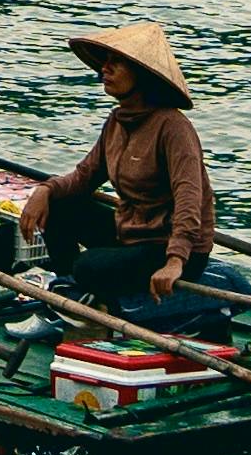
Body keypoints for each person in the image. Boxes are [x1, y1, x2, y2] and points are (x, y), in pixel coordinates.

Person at [40, 26, 227, 330]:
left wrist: (175, 260)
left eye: (117, 63)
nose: (106, 69)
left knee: (88, 266)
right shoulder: (116, 122)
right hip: (131, 233)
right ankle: (78, 300)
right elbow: (84, 177)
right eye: (105, 61)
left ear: (141, 75)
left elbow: (189, 198)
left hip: (170, 247)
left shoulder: (173, 128)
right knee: (59, 209)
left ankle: (87, 300)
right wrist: (45, 192)